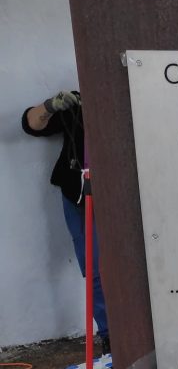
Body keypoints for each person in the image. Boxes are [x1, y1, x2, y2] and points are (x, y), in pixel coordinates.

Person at [22, 90, 110, 352]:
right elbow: (31, 124)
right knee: (94, 269)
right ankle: (110, 337)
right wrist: (50, 105)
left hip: (127, 193)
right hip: (80, 194)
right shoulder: (78, 104)